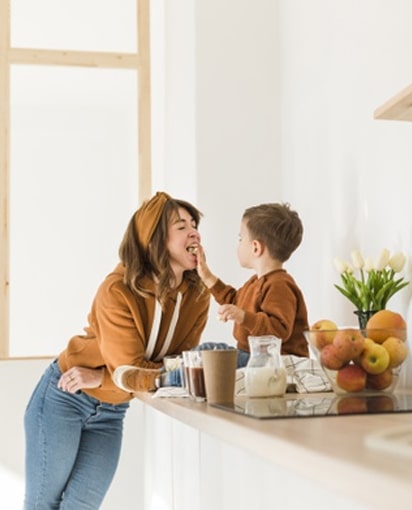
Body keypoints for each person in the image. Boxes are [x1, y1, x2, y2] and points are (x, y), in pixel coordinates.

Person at [23, 192, 210, 509]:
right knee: (44, 503)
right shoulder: (118, 289)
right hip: (66, 396)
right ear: (154, 239)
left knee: (82, 505)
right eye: (181, 226)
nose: (194, 232)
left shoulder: (198, 295)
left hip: (112, 410)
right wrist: (120, 378)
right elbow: (132, 372)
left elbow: (177, 366)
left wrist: (101, 379)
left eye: (194, 224)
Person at [196, 202, 310, 367]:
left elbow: (278, 330)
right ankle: (167, 377)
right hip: (251, 356)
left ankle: (166, 379)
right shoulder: (256, 282)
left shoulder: (280, 286)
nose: (239, 243)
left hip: (271, 362)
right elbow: (235, 300)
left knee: (208, 354)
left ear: (256, 247)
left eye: (241, 239)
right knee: (208, 353)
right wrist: (207, 277)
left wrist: (242, 316)